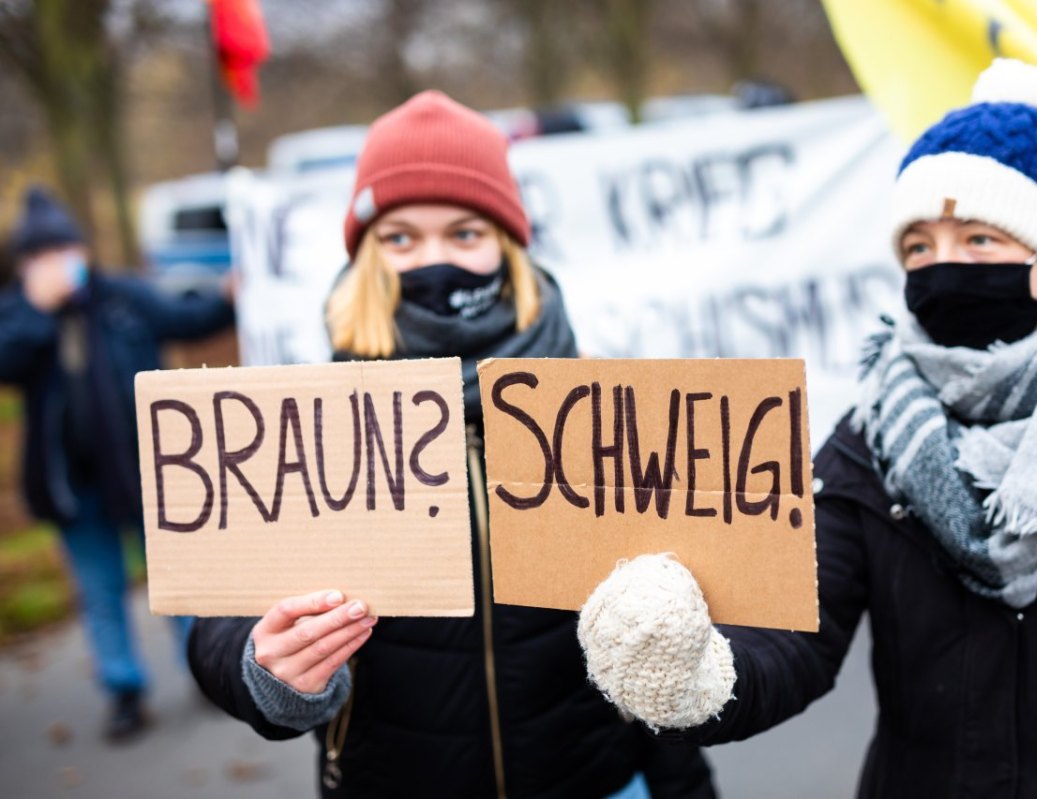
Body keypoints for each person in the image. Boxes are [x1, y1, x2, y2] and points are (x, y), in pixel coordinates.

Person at [578, 59, 1037, 798]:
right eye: (919, 247)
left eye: (978, 240)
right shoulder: (870, 435)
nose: (944, 266)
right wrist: (694, 672)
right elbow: (795, 631)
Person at [188, 91, 716, 799]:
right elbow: (219, 609)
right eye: (401, 238)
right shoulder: (312, 414)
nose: (433, 259)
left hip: (601, 774)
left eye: (465, 233)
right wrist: (268, 665)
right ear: (368, 253)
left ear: (507, 243)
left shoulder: (595, 394)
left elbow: (682, 592)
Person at [0, 186, 235, 740]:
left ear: (81, 250)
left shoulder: (124, 297)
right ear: (25, 266)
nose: (56, 264)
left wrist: (227, 297)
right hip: (72, 490)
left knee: (175, 581)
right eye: (40, 256)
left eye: (62, 250)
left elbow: (186, 317)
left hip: (149, 475)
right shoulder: (18, 314)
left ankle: (204, 672)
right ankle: (124, 690)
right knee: (101, 592)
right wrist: (39, 309)